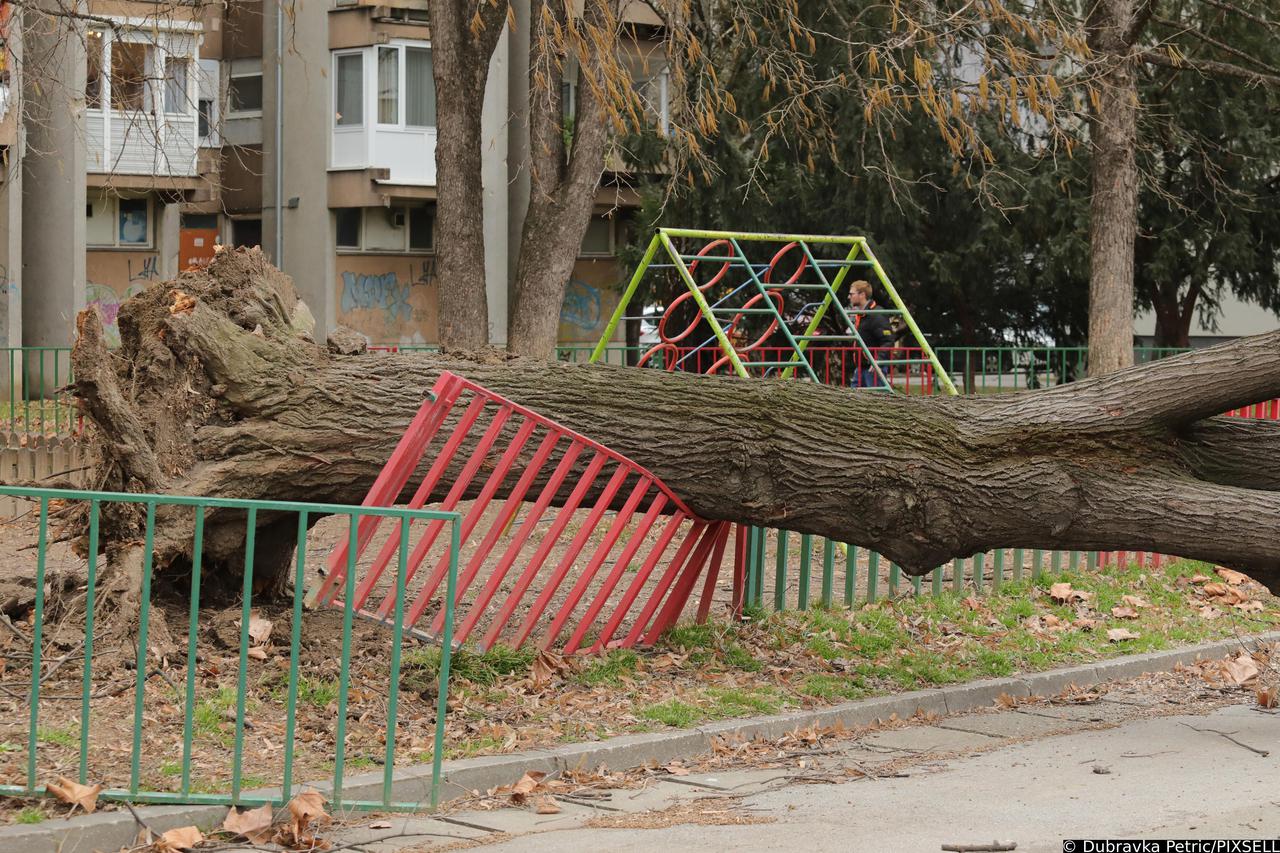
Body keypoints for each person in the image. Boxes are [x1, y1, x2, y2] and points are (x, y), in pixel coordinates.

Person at [847, 280, 895, 387]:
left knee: (876, 399)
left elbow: (888, 340)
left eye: (851, 294)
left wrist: (878, 361)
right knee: (853, 398)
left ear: (862, 295)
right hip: (861, 366)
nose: (849, 297)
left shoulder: (876, 315)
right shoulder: (861, 315)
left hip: (873, 367)